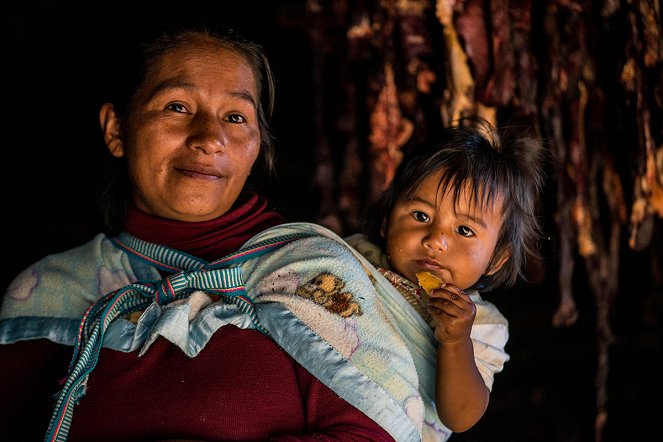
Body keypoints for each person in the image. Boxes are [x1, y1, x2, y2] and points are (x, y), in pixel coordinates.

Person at [0, 21, 427, 442]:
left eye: (236, 116)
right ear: (116, 129)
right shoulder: (49, 291)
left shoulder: (314, 274)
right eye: (177, 107)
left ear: (257, 146)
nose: (210, 138)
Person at [346, 117, 547, 435]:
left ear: (495, 258)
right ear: (386, 221)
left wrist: (455, 341)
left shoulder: (481, 325)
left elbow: (460, 416)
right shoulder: (354, 256)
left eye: (464, 230)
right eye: (421, 215)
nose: (436, 239)